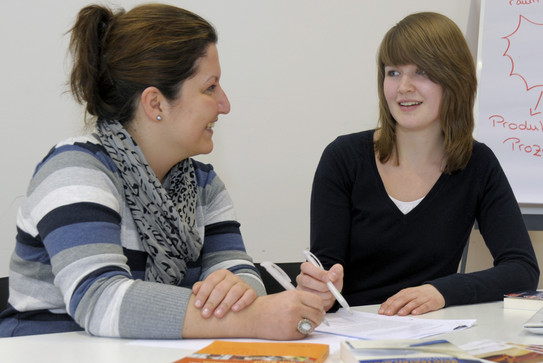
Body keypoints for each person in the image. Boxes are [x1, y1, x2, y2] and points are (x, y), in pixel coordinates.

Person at [0, 4, 325, 339]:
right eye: (210, 87)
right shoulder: (73, 168)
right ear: (155, 104)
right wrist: (250, 318)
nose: (224, 104)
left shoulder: (204, 184)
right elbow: (99, 300)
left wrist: (237, 287)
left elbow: (239, 271)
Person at [296, 12, 539, 316]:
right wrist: (319, 288)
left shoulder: (478, 164)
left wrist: (441, 291)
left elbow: (522, 269)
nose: (403, 87)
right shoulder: (343, 158)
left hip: (435, 332)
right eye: (393, 72)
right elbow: (326, 275)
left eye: (422, 72)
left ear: (454, 80)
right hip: (351, 333)